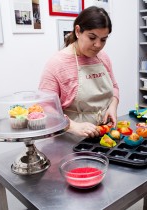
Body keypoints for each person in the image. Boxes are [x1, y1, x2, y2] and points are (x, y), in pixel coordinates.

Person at [39, 6, 119, 138]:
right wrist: (73, 126)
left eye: (103, 39)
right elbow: (45, 109)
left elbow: (114, 87)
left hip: (105, 135)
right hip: (72, 140)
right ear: (78, 31)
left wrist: (113, 107)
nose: (98, 45)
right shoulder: (57, 64)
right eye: (92, 37)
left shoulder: (103, 58)